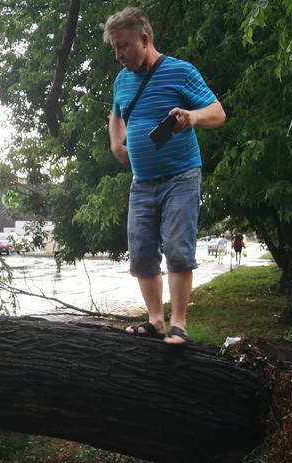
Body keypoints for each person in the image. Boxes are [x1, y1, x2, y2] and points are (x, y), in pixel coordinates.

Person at [105, 7, 225, 345]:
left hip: (181, 177)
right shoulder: (122, 80)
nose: (118, 55)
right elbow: (116, 115)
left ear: (145, 39)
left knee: (177, 247)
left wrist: (192, 116)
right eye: (114, 47)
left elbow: (217, 113)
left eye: (124, 46)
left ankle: (179, 323)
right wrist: (117, 143)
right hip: (141, 181)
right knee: (141, 252)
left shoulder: (180, 71)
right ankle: (155, 321)